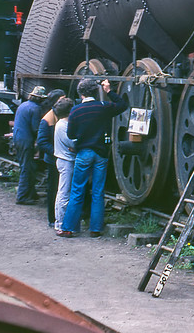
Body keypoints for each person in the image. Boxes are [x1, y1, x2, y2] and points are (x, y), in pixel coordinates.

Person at [58, 78, 127, 238]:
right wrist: (109, 91)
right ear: (96, 92)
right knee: (98, 191)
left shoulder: (75, 110)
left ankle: (68, 228)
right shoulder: (103, 107)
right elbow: (123, 105)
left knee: (77, 190)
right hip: (101, 153)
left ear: (80, 93)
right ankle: (95, 228)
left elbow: (71, 134)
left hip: (83, 154)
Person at [36, 89, 66, 226]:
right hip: (53, 159)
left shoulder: (63, 115)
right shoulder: (47, 120)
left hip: (62, 158)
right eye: (62, 99)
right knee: (53, 188)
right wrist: (55, 151)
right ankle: (52, 219)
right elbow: (41, 142)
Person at [14, 86, 47, 205]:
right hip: (26, 140)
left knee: (29, 166)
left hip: (18, 138)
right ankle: (22, 197)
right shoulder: (36, 109)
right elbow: (35, 128)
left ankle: (31, 193)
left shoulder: (23, 105)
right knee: (26, 167)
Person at [52, 97, 76, 234]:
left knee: (64, 192)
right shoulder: (63, 126)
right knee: (63, 193)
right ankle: (60, 224)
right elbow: (72, 144)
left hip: (65, 159)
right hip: (66, 161)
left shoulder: (62, 124)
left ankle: (62, 222)